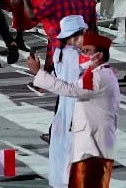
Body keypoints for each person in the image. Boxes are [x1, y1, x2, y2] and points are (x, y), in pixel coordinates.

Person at [28, 31, 120, 188]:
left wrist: (38, 73)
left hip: (94, 147)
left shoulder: (99, 77)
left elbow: (69, 89)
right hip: (91, 144)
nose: (81, 55)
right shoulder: (96, 74)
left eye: (86, 51)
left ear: (99, 55)